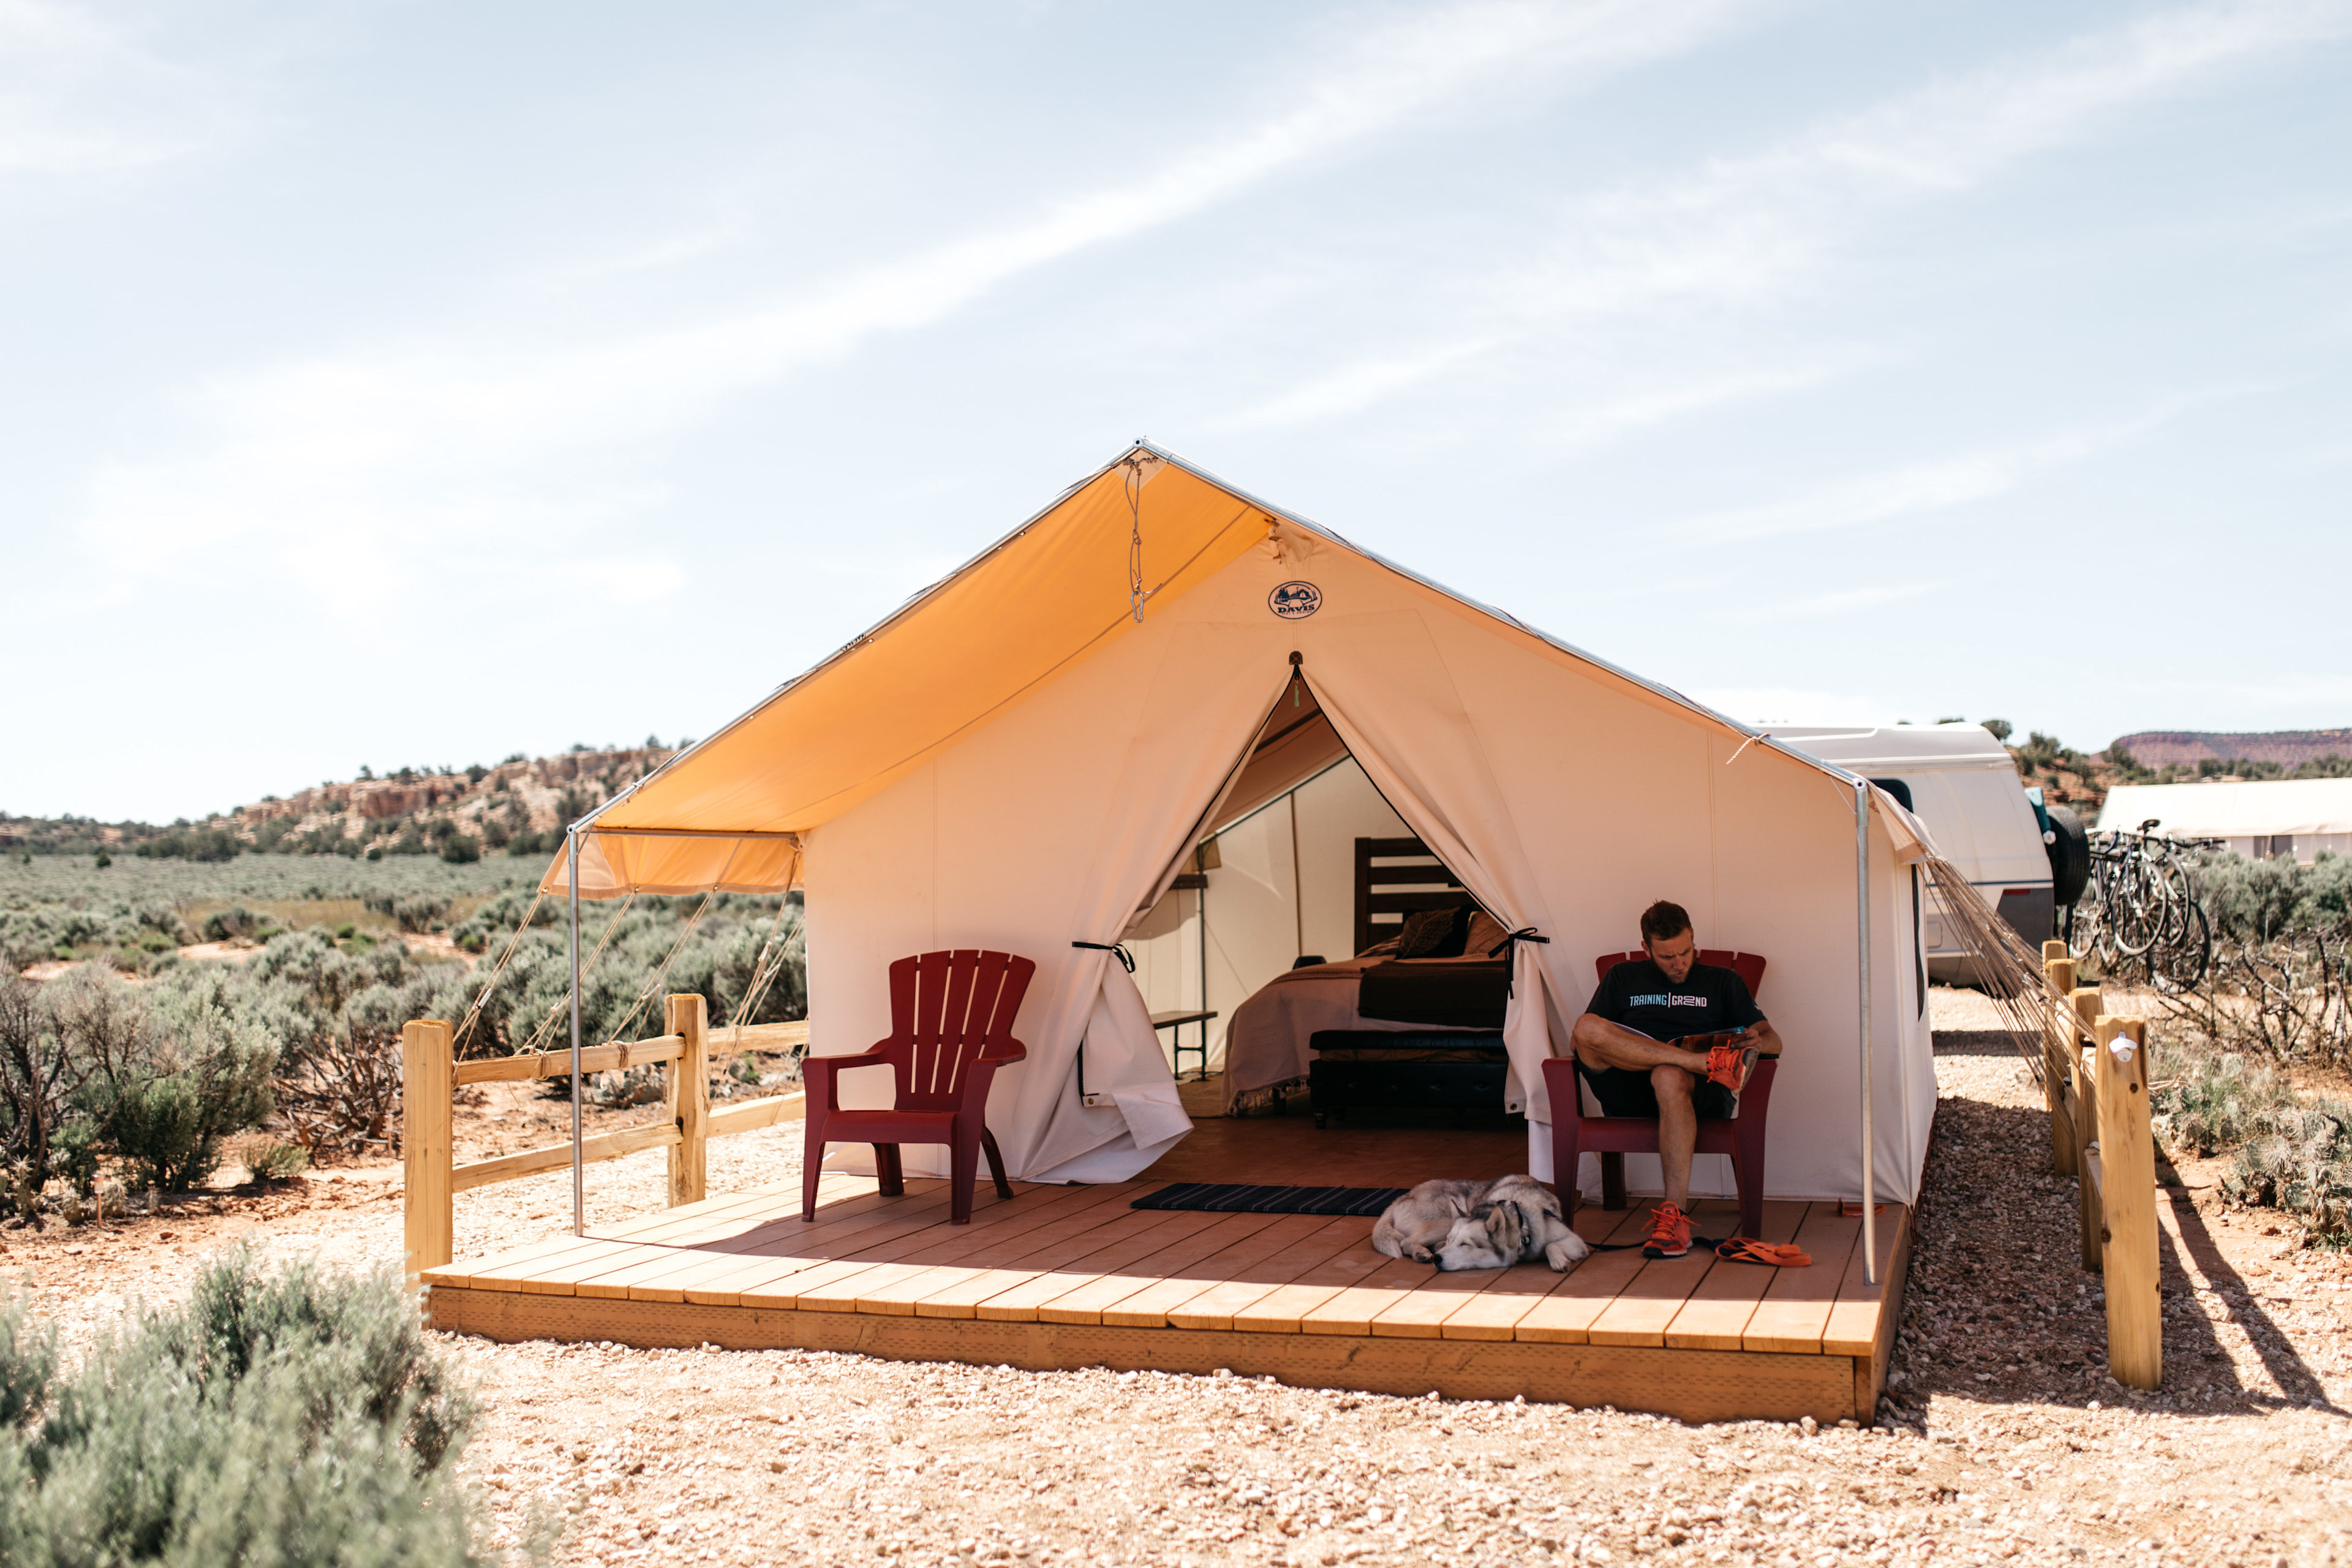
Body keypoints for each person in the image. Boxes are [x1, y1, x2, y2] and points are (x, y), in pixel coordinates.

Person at [1568, 899, 1780, 1259]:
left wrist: (1756, 1041)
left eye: (1685, 952)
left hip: (1698, 1094)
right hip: (1629, 1089)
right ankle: (1692, 1061)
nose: (1679, 963)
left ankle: (1674, 1217)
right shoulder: (1622, 976)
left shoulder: (1723, 981)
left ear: (1693, 937)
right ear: (1646, 947)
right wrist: (1695, 1061)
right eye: (1667, 957)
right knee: (1585, 1027)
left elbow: (1774, 1041)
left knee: (1668, 1075)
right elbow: (1584, 1038)